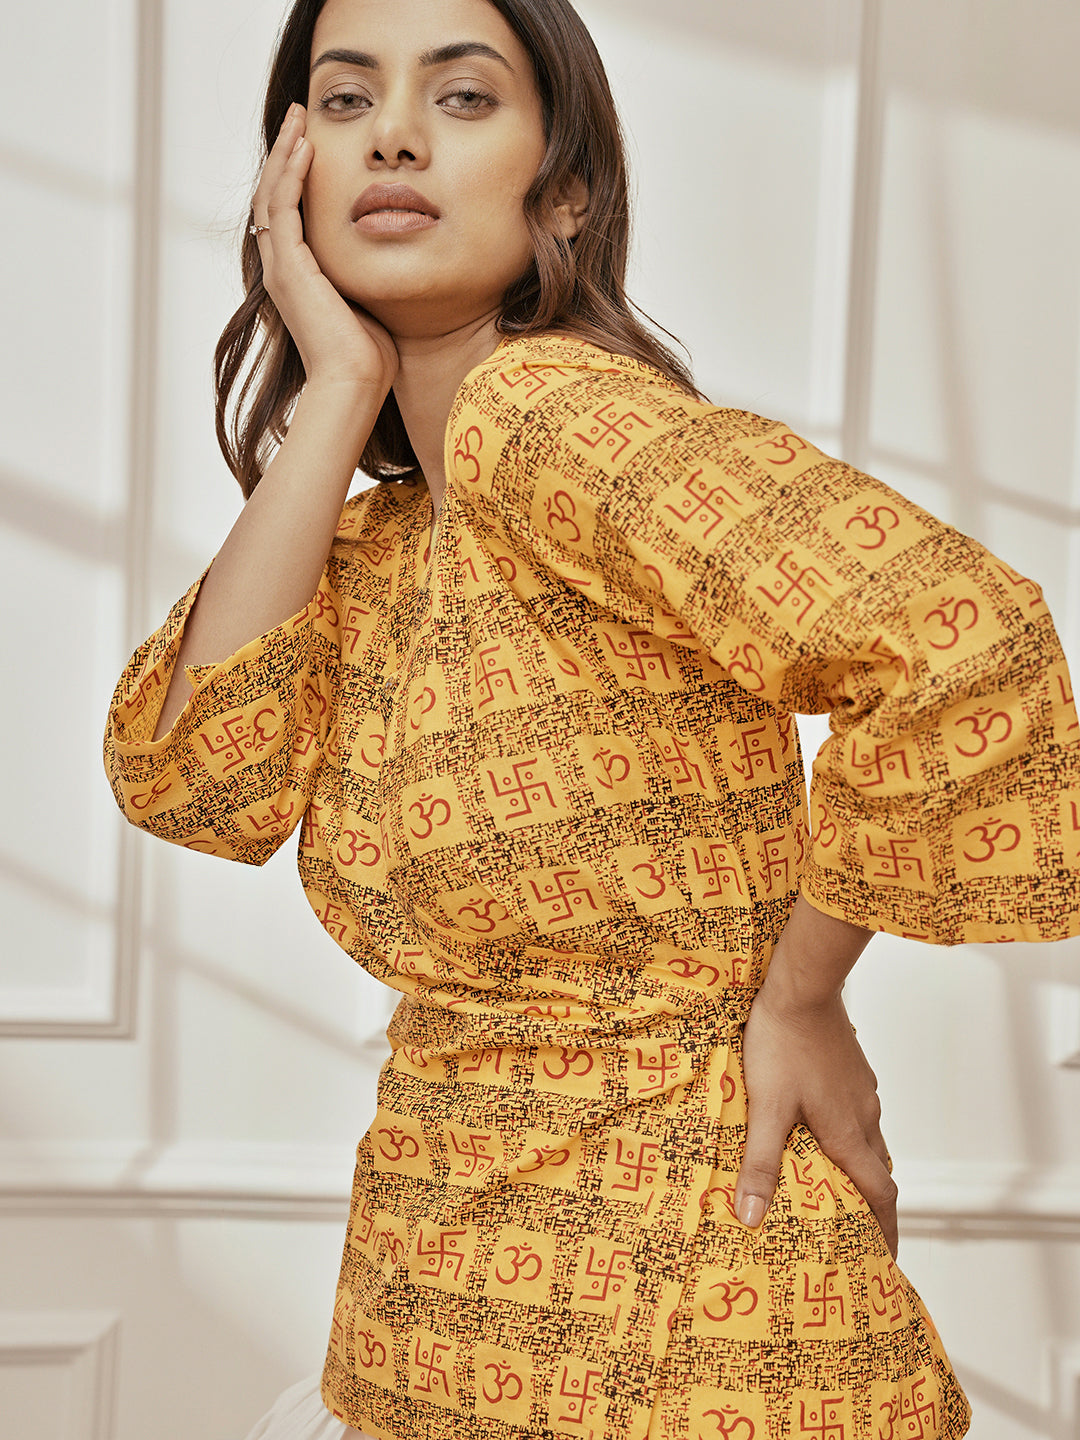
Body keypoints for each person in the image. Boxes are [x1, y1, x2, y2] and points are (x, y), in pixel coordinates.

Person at [102, 0, 1080, 1436]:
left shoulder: (554, 421)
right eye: (347, 98)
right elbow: (196, 785)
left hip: (684, 1305)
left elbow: (960, 638)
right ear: (289, 174)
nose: (393, 136)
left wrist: (802, 995)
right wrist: (342, 386)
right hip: (428, 1301)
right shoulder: (387, 537)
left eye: (463, 97)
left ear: (563, 190)